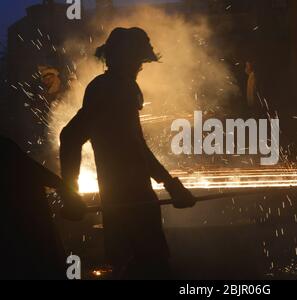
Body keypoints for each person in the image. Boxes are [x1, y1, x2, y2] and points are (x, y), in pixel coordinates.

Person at [59, 27, 196, 279]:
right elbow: (70, 137)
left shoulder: (115, 87)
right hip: (128, 200)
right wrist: (70, 192)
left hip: (129, 197)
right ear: (121, 58)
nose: (140, 68)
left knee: (139, 265)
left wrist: (170, 184)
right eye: (137, 61)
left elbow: (134, 144)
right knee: (150, 266)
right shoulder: (110, 90)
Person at [0, 136, 84, 280]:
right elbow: (34, 171)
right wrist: (69, 195)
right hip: (29, 236)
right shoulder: (5, 147)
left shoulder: (5, 147)